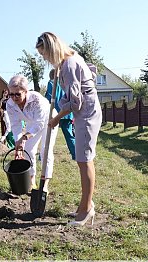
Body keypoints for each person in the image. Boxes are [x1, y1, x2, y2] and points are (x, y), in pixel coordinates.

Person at [36, 32, 102, 226]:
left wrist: (56, 117)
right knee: (82, 159)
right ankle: (84, 206)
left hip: (87, 114)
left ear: (51, 50)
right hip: (85, 113)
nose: (44, 59)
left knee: (84, 160)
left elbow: (76, 102)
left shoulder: (69, 65)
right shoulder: (69, 60)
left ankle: (87, 209)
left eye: (44, 55)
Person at [6, 75, 58, 192]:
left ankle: (45, 184)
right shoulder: (10, 104)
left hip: (49, 120)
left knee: (45, 150)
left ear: (25, 91)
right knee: (28, 149)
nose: (14, 97)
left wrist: (24, 137)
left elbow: (39, 124)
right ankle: (31, 180)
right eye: (11, 94)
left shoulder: (37, 99)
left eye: (17, 94)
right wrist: (18, 142)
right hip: (32, 122)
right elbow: (16, 125)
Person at [45, 68, 76, 160]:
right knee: (69, 135)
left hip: (55, 113)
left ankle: (44, 155)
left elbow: (49, 97)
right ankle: (75, 154)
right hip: (67, 112)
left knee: (48, 135)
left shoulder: (51, 83)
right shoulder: (66, 83)